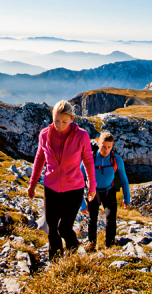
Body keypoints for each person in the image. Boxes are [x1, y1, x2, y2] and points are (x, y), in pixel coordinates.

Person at [28, 100, 96, 260]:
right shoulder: (44, 134)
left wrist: (92, 186)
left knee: (64, 228)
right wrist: (32, 184)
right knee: (52, 230)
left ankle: (74, 255)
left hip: (74, 189)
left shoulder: (82, 135)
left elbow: (88, 161)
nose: (59, 124)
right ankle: (56, 263)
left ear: (72, 118)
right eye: (56, 121)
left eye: (64, 121)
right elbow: (39, 159)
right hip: (51, 188)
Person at [80, 132, 130, 250]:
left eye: (109, 147)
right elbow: (78, 181)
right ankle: (91, 243)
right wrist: (82, 204)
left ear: (112, 146)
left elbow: (124, 179)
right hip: (93, 192)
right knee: (93, 218)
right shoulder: (89, 159)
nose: (106, 149)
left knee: (111, 218)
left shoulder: (116, 159)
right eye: (103, 146)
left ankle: (110, 243)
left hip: (109, 192)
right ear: (98, 144)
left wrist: (126, 198)